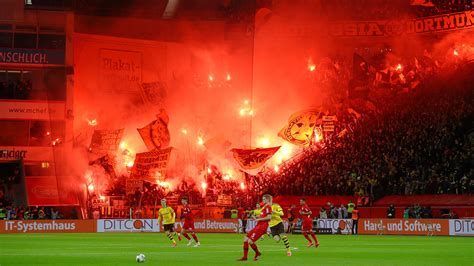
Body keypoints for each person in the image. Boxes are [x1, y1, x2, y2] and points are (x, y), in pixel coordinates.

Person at [238, 194, 272, 261]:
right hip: (258, 226)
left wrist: (258, 219)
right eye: (263, 199)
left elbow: (269, 217)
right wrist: (254, 217)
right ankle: (245, 257)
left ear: (268, 199)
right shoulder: (264, 208)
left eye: (264, 199)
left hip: (262, 227)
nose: (263, 200)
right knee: (245, 239)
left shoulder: (268, 207)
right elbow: (262, 217)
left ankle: (257, 253)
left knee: (250, 241)